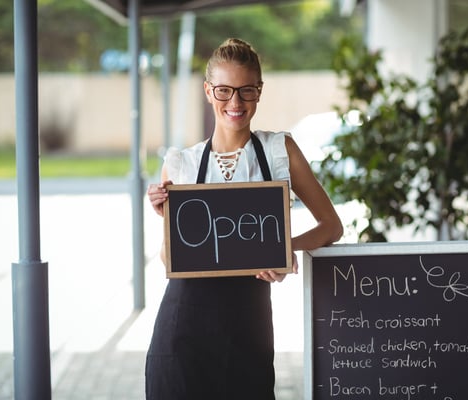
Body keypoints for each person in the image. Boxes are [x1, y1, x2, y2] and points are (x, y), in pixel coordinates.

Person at [145, 38, 343, 399]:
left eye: (246, 91)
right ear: (208, 91)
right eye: (223, 91)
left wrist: (282, 251)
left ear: (259, 92)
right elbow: (166, 260)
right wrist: (166, 217)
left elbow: (332, 227)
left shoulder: (279, 150)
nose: (235, 103)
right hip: (183, 328)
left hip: (247, 326)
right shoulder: (180, 163)